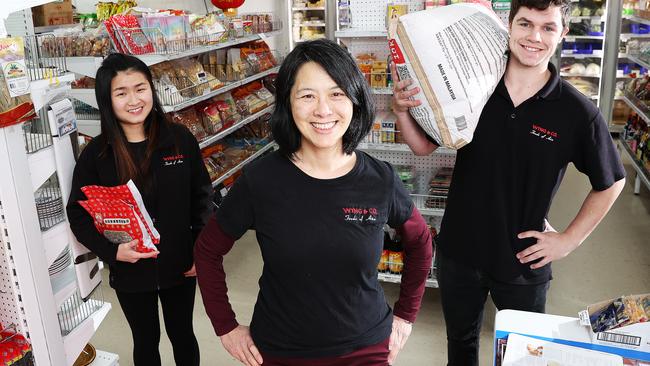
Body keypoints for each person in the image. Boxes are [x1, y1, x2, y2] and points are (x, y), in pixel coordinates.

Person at [391, 1, 626, 365]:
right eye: (525, 24)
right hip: (459, 252)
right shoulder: (472, 87)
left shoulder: (577, 112)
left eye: (547, 27)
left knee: (520, 358)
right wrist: (403, 112)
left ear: (562, 33)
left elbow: (611, 182)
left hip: (522, 264)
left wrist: (567, 241)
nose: (534, 37)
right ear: (509, 26)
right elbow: (423, 147)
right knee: (461, 347)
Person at [194, 39, 433, 366]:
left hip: (366, 350)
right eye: (307, 95)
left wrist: (405, 317)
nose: (323, 110)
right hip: (280, 351)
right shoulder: (260, 181)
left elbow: (420, 242)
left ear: (355, 99)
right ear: (288, 104)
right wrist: (225, 327)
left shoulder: (380, 180)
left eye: (337, 93)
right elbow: (207, 250)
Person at [66, 53, 212, 366]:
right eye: (121, 93)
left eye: (140, 88)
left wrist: (201, 251)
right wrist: (112, 252)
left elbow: (202, 198)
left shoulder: (180, 140)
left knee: (183, 333)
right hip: (130, 268)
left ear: (151, 89)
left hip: (181, 262)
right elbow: (77, 213)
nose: (134, 100)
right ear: (107, 100)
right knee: (145, 340)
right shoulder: (97, 154)